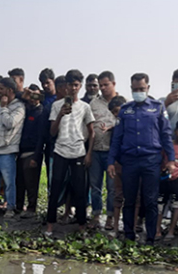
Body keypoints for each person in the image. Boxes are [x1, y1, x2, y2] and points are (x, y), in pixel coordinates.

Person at [108, 72, 175, 244]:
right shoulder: (125, 110)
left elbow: (166, 135)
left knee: (150, 201)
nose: (139, 91)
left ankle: (151, 238)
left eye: (142, 89)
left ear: (148, 88)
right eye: (135, 89)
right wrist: (111, 161)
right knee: (129, 200)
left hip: (151, 160)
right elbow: (117, 138)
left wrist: (171, 159)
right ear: (131, 89)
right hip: (129, 160)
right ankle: (129, 235)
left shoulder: (158, 108)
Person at [46, 69, 95, 235]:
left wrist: (89, 153)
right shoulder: (56, 105)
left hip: (79, 152)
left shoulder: (85, 107)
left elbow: (92, 131)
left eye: (76, 85)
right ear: (65, 86)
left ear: (80, 86)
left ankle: (81, 226)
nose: (73, 88)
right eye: (70, 85)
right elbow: (52, 132)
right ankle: (50, 225)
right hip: (60, 151)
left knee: (80, 190)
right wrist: (60, 115)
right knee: (55, 189)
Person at [0, 77, 25, 218]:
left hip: (7, 149)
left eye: (1, 88)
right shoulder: (1, 106)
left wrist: (3, 108)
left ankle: (10, 207)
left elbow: (10, 123)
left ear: (9, 90)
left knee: (9, 181)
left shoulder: (19, 107)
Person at [88, 71, 123, 229]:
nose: (102, 88)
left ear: (113, 84)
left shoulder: (123, 103)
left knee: (111, 187)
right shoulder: (93, 103)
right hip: (95, 149)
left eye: (105, 85)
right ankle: (96, 214)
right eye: (100, 85)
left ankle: (110, 217)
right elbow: (88, 127)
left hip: (112, 152)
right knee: (95, 185)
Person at [156, 119, 178, 241]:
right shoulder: (168, 145)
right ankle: (157, 230)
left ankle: (171, 230)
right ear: (175, 131)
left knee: (175, 206)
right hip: (164, 179)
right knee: (160, 205)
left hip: (177, 181)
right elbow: (162, 159)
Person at [16, 85, 46, 218]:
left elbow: (41, 138)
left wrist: (36, 156)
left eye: (36, 96)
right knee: (19, 181)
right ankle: (18, 206)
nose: (33, 99)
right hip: (20, 150)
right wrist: (24, 96)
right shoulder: (25, 109)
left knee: (31, 183)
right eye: (31, 95)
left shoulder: (41, 112)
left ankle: (32, 208)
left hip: (33, 152)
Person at [106, 95, 127, 237]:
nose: (116, 114)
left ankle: (128, 226)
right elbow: (113, 146)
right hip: (119, 164)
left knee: (134, 197)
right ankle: (115, 227)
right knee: (117, 194)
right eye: (113, 112)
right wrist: (111, 163)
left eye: (117, 110)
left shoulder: (133, 124)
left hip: (133, 164)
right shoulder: (116, 127)